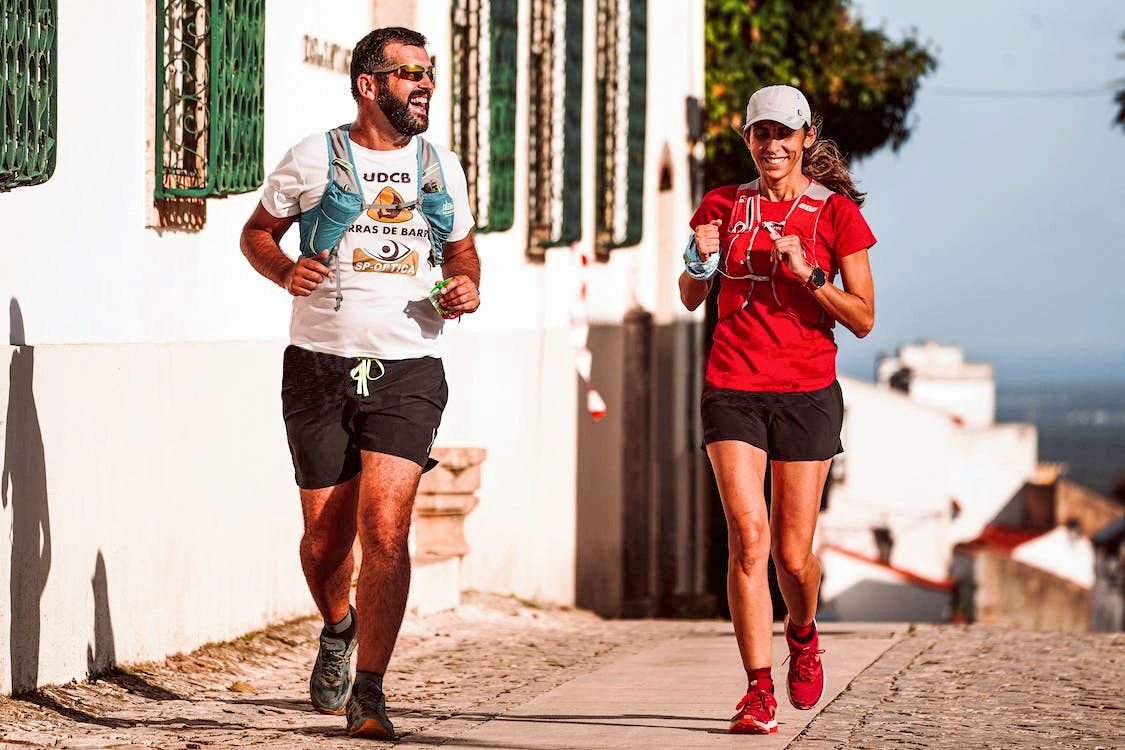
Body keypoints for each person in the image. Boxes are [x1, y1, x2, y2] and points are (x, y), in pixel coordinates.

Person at [239, 27, 479, 740]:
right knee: (323, 540)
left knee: (385, 529)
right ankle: (337, 626)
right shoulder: (313, 157)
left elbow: (463, 252)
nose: (424, 84)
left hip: (409, 368)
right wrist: (283, 270)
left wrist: (464, 285)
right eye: (409, 73)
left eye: (428, 72)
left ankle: (369, 691)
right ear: (368, 84)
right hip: (318, 364)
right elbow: (257, 231)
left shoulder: (440, 167)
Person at [680, 84, 876, 734]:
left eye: (784, 134)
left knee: (793, 557)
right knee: (747, 539)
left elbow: (864, 319)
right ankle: (756, 690)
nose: (772, 145)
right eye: (761, 134)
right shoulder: (721, 205)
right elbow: (686, 296)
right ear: (747, 139)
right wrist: (698, 257)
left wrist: (811, 277)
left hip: (806, 392)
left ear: (805, 139)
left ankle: (802, 631)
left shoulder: (835, 215)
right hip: (731, 385)